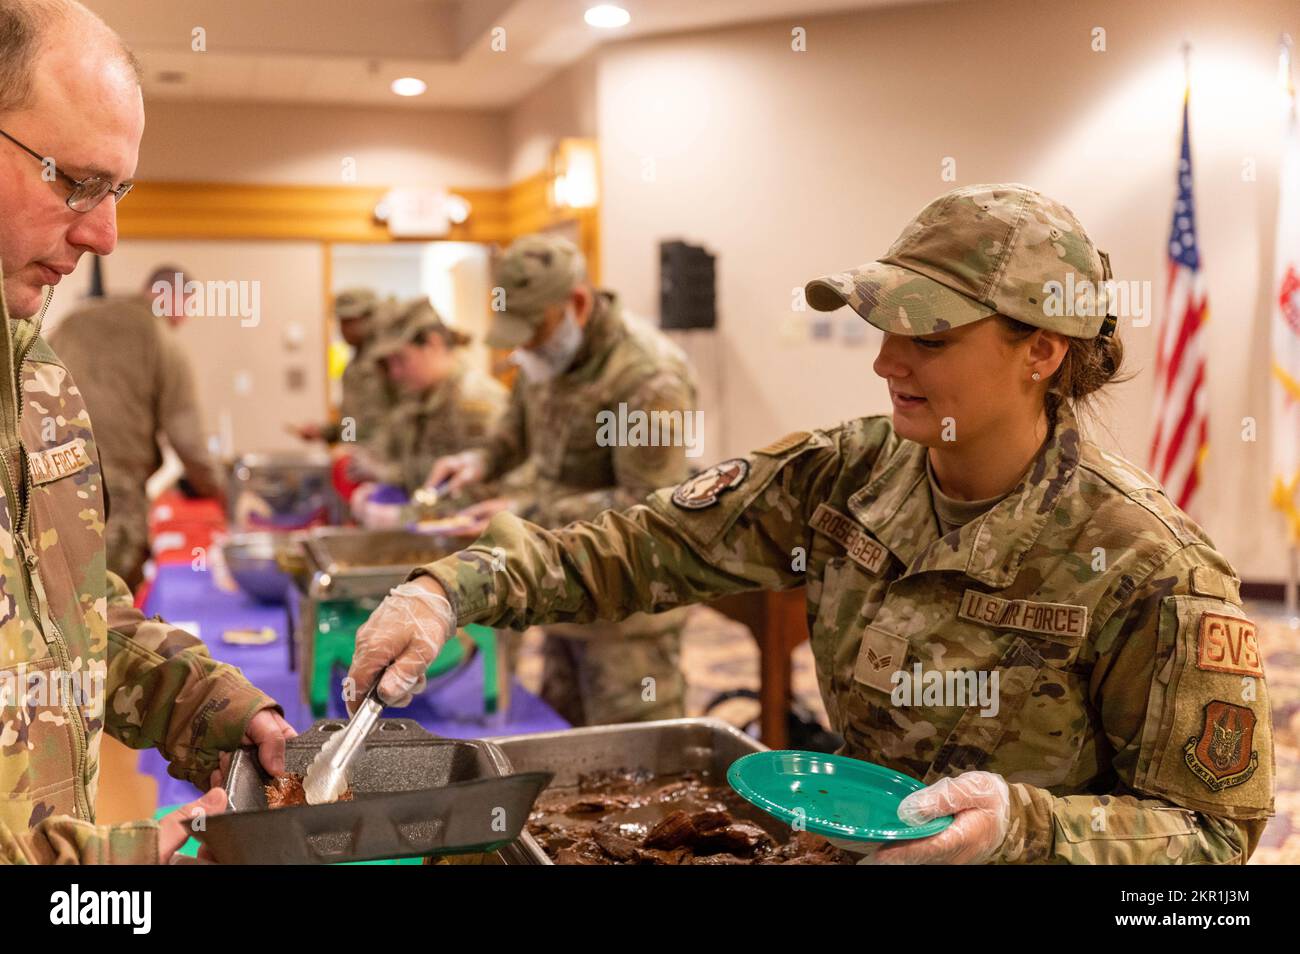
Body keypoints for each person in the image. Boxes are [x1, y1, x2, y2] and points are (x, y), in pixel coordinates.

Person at [349, 184, 1275, 863]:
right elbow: (641, 546)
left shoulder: (1152, 566)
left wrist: (1022, 830)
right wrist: (448, 588)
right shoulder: (846, 471)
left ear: (1041, 349)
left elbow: (1217, 842)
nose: (887, 364)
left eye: (932, 340)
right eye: (885, 329)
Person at [0, 0, 293, 863]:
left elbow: (67, 613)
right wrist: (105, 867)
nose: (104, 234)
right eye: (73, 180)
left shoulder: (36, 372)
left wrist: (212, 707)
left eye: (116, 191)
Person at [423, 234, 699, 726]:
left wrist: (524, 515)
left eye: (534, 328)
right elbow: (515, 434)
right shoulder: (548, 353)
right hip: (564, 591)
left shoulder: (647, 377)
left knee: (634, 762)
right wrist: (480, 462)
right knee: (566, 742)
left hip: (628, 614)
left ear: (576, 303)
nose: (526, 343)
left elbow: (647, 506)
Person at [50, 264, 224, 589]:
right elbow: (187, 437)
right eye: (185, 307)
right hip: (114, 493)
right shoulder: (161, 338)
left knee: (56, 598)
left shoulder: (74, 321)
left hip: (48, 484)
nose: (182, 319)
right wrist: (213, 488)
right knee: (109, 603)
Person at [348, 296, 507, 527]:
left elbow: (484, 496)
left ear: (432, 344)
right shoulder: (419, 398)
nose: (395, 373)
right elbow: (421, 475)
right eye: (389, 364)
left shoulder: (477, 402)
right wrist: (384, 486)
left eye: (401, 360)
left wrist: (403, 517)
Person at [291, 286, 398, 446]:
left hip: (385, 462)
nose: (343, 329)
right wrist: (324, 432)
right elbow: (352, 428)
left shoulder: (391, 361)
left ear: (370, 317)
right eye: (340, 322)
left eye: (350, 321)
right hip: (357, 461)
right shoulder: (352, 368)